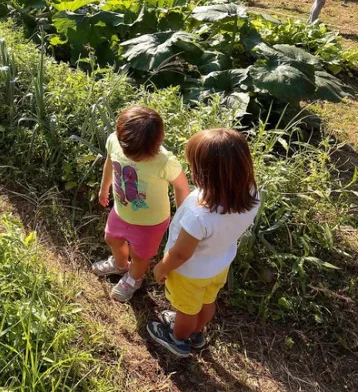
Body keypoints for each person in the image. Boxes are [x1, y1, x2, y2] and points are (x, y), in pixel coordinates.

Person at [146, 128, 260, 358]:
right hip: (219, 265)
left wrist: (161, 268)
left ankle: (178, 339)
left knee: (186, 309)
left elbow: (181, 254)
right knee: (207, 302)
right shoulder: (251, 193)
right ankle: (196, 333)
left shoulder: (200, 214)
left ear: (204, 173)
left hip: (189, 272)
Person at [92, 106, 191, 302]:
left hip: (151, 222)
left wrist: (182, 216)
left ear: (155, 145)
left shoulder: (164, 162)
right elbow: (110, 163)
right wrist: (104, 188)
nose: (130, 156)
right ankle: (120, 266)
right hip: (120, 210)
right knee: (112, 238)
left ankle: (134, 279)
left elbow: (181, 186)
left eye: (138, 156)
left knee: (140, 256)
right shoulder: (115, 141)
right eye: (127, 151)